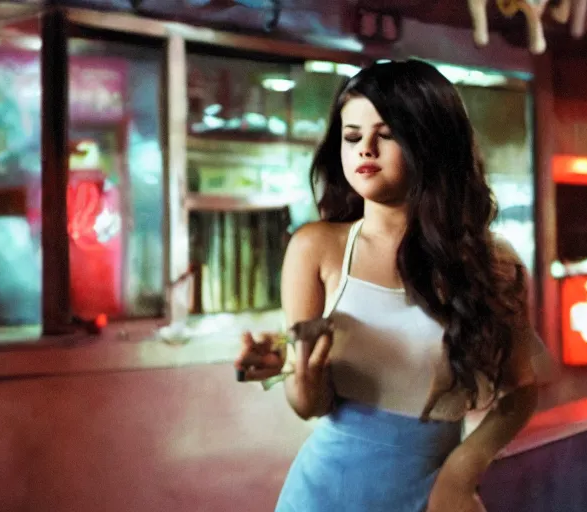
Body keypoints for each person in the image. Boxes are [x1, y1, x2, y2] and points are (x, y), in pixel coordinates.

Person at [234, 59, 552, 512]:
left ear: (432, 142)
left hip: (438, 493)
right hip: (327, 492)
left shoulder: (491, 263)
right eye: (351, 136)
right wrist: (298, 370)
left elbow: (520, 389)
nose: (365, 148)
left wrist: (463, 470)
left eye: (385, 135)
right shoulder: (315, 249)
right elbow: (310, 405)